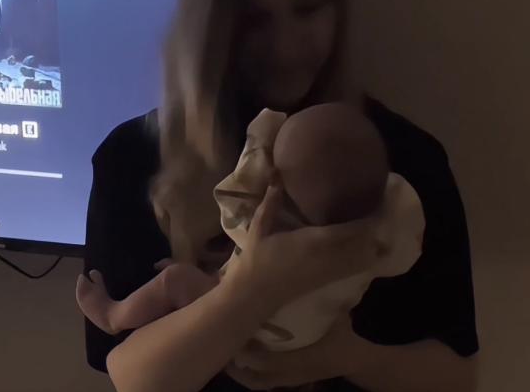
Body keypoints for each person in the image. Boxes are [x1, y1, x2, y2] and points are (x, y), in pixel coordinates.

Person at [84, 0, 479, 392]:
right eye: (254, 20)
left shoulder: (399, 161)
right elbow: (132, 382)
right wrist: (252, 290)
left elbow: (456, 377)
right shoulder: (132, 158)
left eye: (309, 8)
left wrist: (346, 357)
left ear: (339, 4)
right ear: (211, 25)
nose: (286, 47)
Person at [78, 103, 424, 355]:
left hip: (260, 327)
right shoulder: (371, 241)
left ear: (278, 182)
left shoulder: (276, 234)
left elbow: (230, 204)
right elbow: (406, 249)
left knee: (174, 281)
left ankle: (113, 315)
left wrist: (260, 142)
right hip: (307, 330)